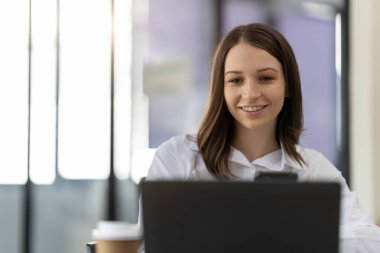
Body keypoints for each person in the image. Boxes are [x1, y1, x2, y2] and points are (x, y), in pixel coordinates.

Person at [141, 23, 380, 252]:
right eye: (235, 80)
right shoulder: (176, 157)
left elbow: (371, 240)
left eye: (265, 78)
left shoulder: (313, 168)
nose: (251, 93)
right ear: (220, 89)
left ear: (287, 86)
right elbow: (147, 247)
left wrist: (296, 236)